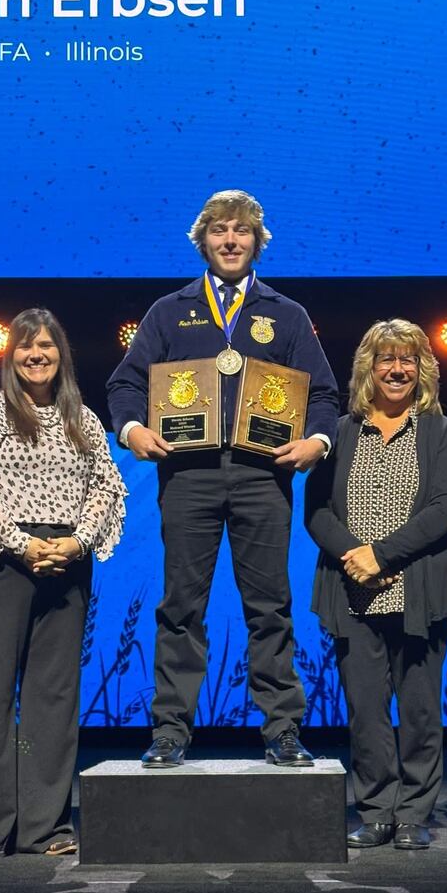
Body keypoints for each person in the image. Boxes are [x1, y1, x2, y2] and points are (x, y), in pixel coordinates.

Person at [107, 189, 338, 768]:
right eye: (219, 231)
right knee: (181, 605)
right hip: (189, 477)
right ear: (202, 240)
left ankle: (282, 729)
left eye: (241, 231)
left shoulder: (286, 314)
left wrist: (317, 440)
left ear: (258, 241)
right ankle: (169, 731)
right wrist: (133, 430)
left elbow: (326, 394)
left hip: (265, 477)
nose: (230, 241)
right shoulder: (169, 310)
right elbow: (124, 385)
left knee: (270, 606)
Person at [0, 309, 126, 861]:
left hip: (67, 563)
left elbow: (106, 490)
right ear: (10, 355)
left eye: (46, 345)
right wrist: (23, 544)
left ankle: (43, 827)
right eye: (25, 346)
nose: (35, 354)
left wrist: (76, 542)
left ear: (61, 354)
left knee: (53, 697)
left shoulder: (82, 419)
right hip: (0, 562)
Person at [306, 320, 447, 849]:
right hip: (353, 592)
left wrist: (382, 555)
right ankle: (376, 810)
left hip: (418, 589)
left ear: (422, 370)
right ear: (368, 370)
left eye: (408, 361)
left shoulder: (440, 432)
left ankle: (415, 814)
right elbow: (317, 510)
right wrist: (355, 555)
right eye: (385, 360)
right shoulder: (342, 431)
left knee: (421, 711)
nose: (397, 370)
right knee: (366, 710)